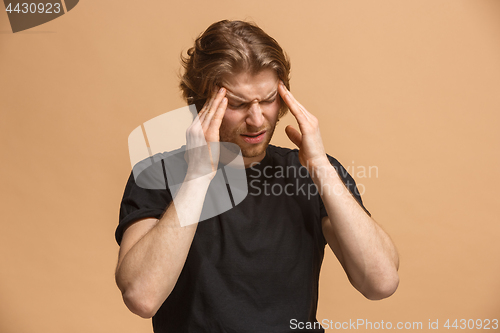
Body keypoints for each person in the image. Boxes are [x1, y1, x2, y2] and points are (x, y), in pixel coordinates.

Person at [115, 20, 399, 332]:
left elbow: (381, 282)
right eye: (236, 104)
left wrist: (319, 165)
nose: (256, 119)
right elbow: (142, 297)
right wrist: (197, 176)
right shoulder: (158, 175)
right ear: (202, 103)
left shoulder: (312, 173)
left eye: (267, 100)